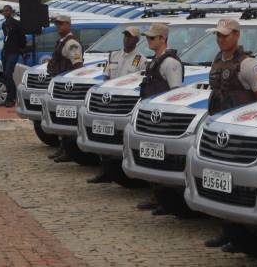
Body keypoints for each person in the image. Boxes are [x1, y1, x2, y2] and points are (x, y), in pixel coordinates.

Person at [203, 18, 257, 253]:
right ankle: (226, 232)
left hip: (242, 135)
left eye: (225, 35)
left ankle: (242, 236)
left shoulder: (250, 65)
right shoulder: (217, 61)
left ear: (236, 36)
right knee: (219, 183)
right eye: (218, 35)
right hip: (220, 131)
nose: (220, 39)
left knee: (237, 186)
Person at [87, 27, 147, 184]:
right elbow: (106, 75)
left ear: (137, 40)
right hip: (109, 101)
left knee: (119, 139)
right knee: (104, 135)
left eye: (131, 37)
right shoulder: (114, 55)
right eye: (125, 36)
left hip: (125, 104)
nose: (127, 39)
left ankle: (121, 173)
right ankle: (105, 172)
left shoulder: (141, 60)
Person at [136, 23, 184, 214]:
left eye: (152, 38)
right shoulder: (155, 61)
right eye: (148, 37)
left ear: (163, 39)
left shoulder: (170, 63)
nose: (148, 40)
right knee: (152, 157)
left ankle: (167, 201)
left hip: (163, 119)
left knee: (162, 159)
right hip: (152, 117)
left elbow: (175, 93)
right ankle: (157, 196)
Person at [47, 15, 85, 163]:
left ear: (68, 25)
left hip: (67, 87)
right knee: (61, 118)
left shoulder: (72, 44)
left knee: (67, 119)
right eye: (57, 24)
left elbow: (77, 66)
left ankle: (69, 151)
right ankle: (63, 148)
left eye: (61, 24)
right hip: (60, 85)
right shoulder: (63, 41)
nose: (59, 27)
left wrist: (72, 84)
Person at [0, 5, 25, 108]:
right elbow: (6, 37)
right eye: (4, 11)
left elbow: (22, 38)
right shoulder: (4, 24)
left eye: (7, 11)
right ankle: (8, 98)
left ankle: (12, 98)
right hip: (6, 51)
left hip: (14, 52)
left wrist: (22, 49)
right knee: (5, 75)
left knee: (8, 73)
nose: (5, 12)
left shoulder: (16, 24)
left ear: (11, 12)